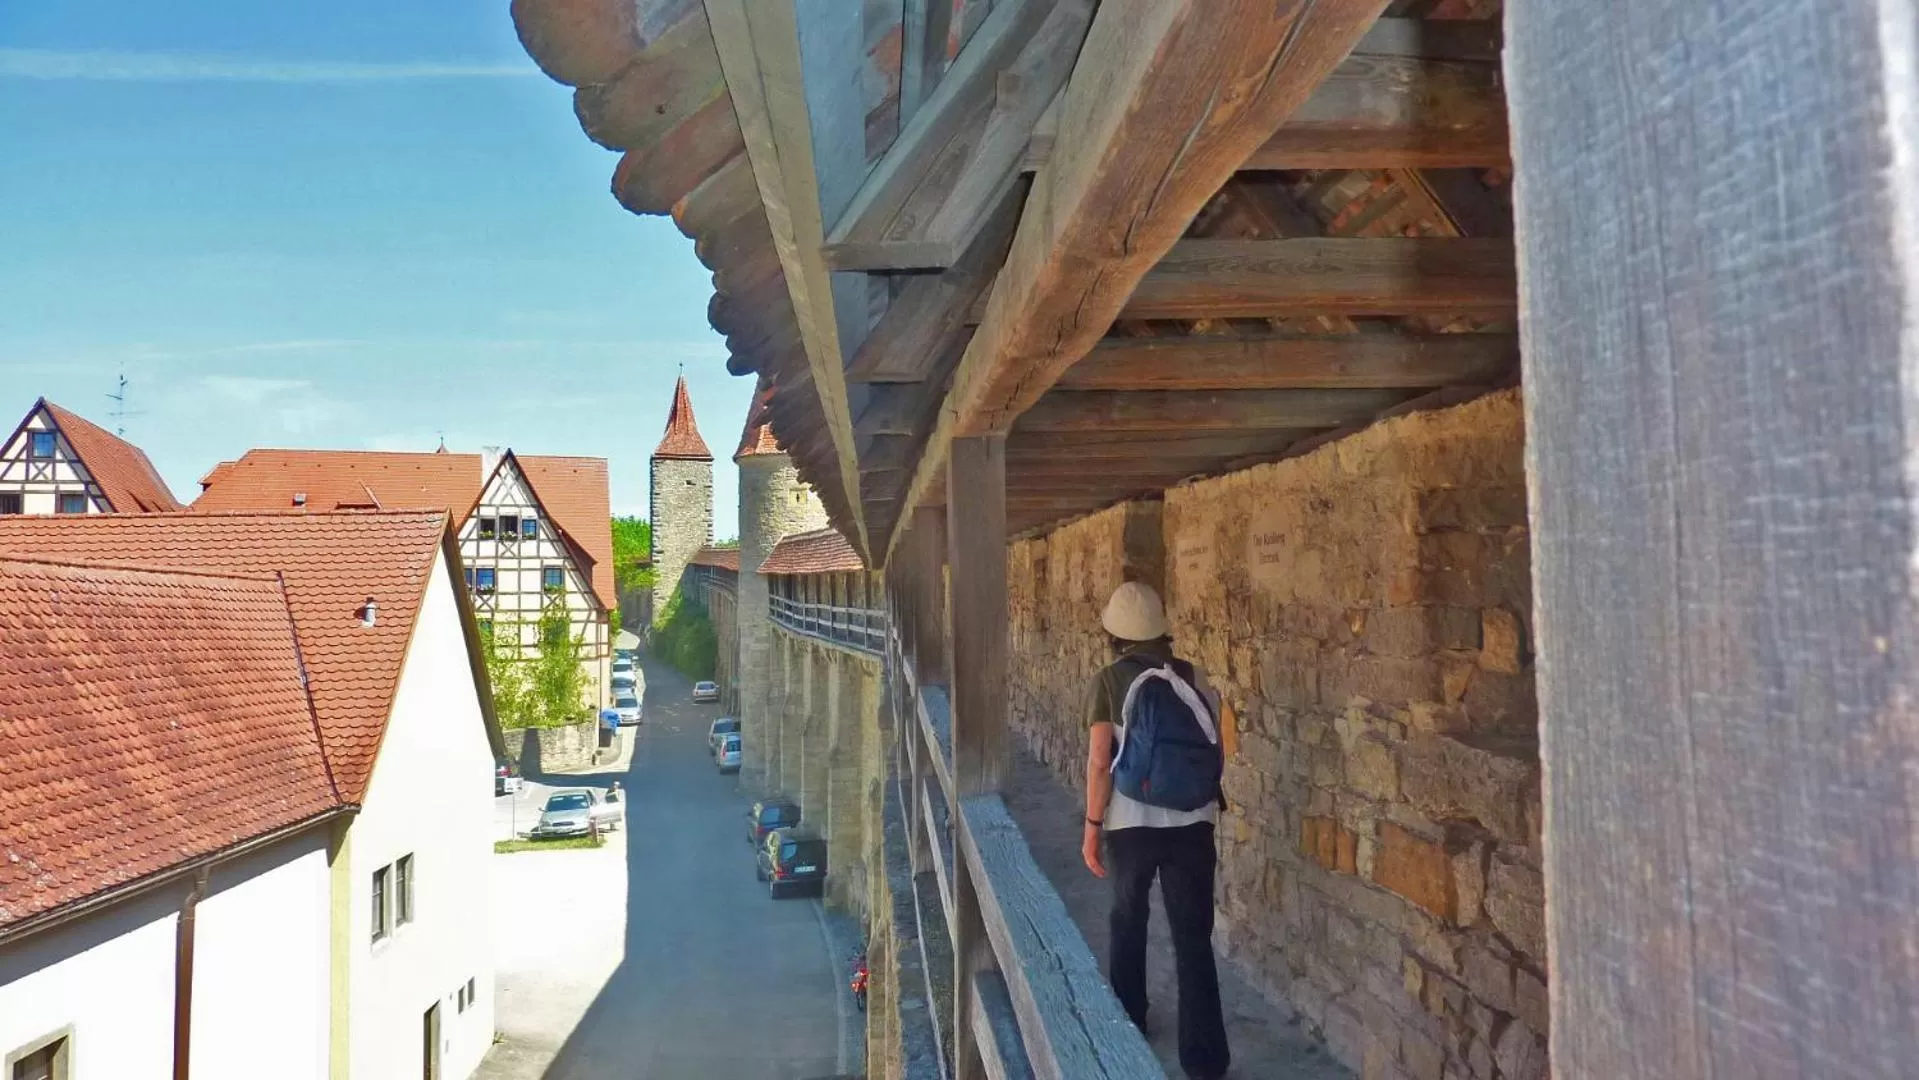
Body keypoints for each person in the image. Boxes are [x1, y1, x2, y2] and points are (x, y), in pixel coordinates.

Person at [1082, 581, 1229, 1080]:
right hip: (1194, 823)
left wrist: (1091, 826)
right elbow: (1221, 746)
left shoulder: (1107, 681)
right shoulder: (1195, 677)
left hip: (1130, 825)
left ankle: (1129, 1024)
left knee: (1129, 922)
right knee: (1193, 938)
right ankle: (1205, 1060)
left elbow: (1100, 760)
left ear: (1115, 635)